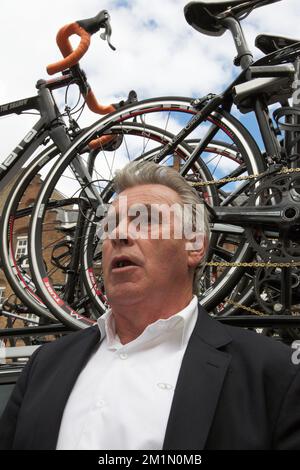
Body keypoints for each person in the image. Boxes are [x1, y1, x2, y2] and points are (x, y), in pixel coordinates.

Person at [0, 161, 300, 450]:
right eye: (111, 225)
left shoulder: (273, 375)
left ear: (194, 246)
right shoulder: (45, 363)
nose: (118, 235)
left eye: (146, 221)